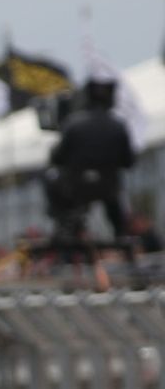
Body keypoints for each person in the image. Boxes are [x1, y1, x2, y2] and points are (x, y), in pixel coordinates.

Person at [47, 78, 137, 256]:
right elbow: (129, 162)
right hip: (108, 189)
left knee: (50, 178)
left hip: (75, 189)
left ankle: (63, 224)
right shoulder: (119, 126)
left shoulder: (72, 124)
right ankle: (119, 230)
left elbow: (56, 158)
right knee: (113, 198)